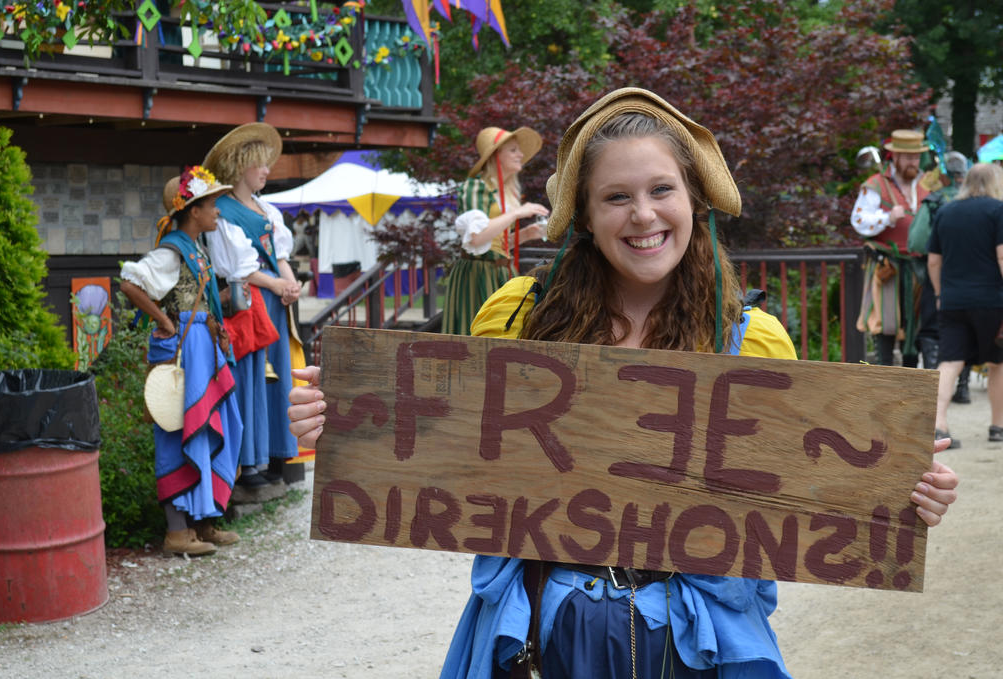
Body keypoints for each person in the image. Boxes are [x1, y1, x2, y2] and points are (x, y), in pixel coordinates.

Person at [288, 88, 960, 678]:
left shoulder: (750, 344)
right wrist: (346, 420)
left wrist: (903, 493)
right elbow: (451, 450)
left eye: (661, 190)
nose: (643, 215)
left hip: (695, 643)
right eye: (617, 196)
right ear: (584, 213)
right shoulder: (520, 320)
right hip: (546, 636)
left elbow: (807, 485)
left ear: (694, 198)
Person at [119, 166, 243, 556]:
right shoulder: (171, 250)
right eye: (212, 205)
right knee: (178, 429)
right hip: (182, 354)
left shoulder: (195, 248)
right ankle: (176, 531)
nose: (218, 212)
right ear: (193, 211)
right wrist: (165, 322)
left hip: (203, 348)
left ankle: (203, 522)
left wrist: (215, 318)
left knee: (211, 427)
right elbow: (130, 284)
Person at [203, 122, 301, 487]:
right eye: (260, 164)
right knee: (254, 378)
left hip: (275, 301)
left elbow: (280, 253)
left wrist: (289, 284)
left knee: (280, 376)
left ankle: (277, 451)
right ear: (242, 165)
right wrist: (278, 284)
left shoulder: (265, 208)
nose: (266, 171)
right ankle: (251, 461)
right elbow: (236, 269)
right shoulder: (224, 213)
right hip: (250, 306)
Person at [441, 126, 550, 335]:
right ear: (495, 155)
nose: (520, 155)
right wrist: (517, 213)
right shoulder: (475, 188)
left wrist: (528, 234)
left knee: (504, 330)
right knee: (476, 335)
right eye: (513, 150)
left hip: (500, 271)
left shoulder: (507, 193)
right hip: (477, 275)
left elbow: (495, 244)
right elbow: (476, 239)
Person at [851, 130, 942, 367]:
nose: (914, 162)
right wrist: (888, 217)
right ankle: (884, 379)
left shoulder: (927, 185)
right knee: (886, 324)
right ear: (895, 157)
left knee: (917, 325)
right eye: (908, 157)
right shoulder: (875, 185)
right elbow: (859, 221)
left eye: (916, 157)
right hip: (887, 266)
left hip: (919, 267)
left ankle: (911, 382)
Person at [928, 162, 1003, 445]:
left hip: (952, 300)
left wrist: (939, 294)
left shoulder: (946, 212)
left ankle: (938, 425)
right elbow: (1002, 257)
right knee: (998, 362)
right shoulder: (998, 210)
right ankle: (998, 427)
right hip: (992, 300)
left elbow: (934, 260)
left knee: (950, 361)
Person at [909, 151, 972, 408]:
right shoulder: (983, 202)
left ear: (944, 173)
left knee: (932, 330)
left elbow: (916, 242)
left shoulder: (934, 201)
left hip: (939, 275)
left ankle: (932, 385)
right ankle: (963, 387)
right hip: (975, 278)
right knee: (967, 330)